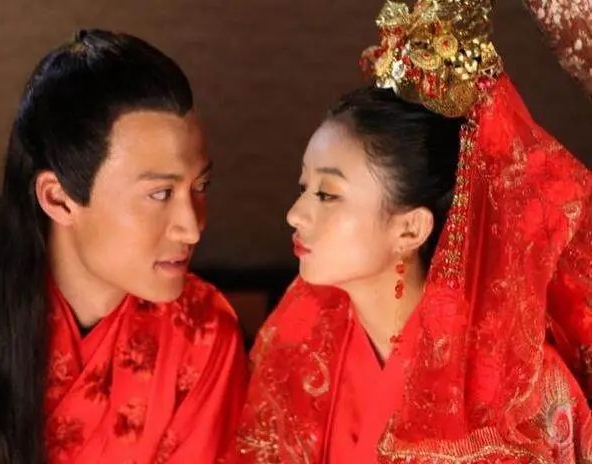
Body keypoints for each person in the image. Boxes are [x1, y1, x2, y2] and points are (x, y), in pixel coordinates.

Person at [233, 1, 592, 462]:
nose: (295, 214)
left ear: (410, 229)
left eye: (327, 194)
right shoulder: (297, 342)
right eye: (304, 187)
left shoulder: (521, 394)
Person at [0, 29, 246, 464]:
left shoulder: (201, 334)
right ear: (59, 199)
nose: (192, 227)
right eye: (160, 194)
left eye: (200, 186)